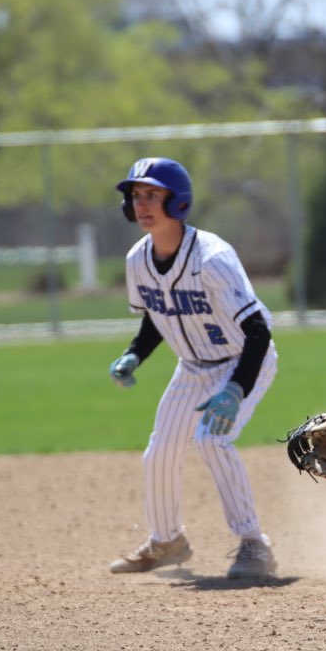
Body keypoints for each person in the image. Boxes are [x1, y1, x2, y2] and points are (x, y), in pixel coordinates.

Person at [107, 157, 279, 579]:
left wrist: (236, 389)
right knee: (159, 453)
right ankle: (166, 542)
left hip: (244, 361)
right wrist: (135, 353)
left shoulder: (212, 258)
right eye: (136, 196)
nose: (142, 204)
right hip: (191, 368)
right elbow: (158, 312)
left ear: (177, 202)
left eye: (152, 195)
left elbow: (257, 330)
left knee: (211, 440)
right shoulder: (138, 260)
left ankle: (255, 545)